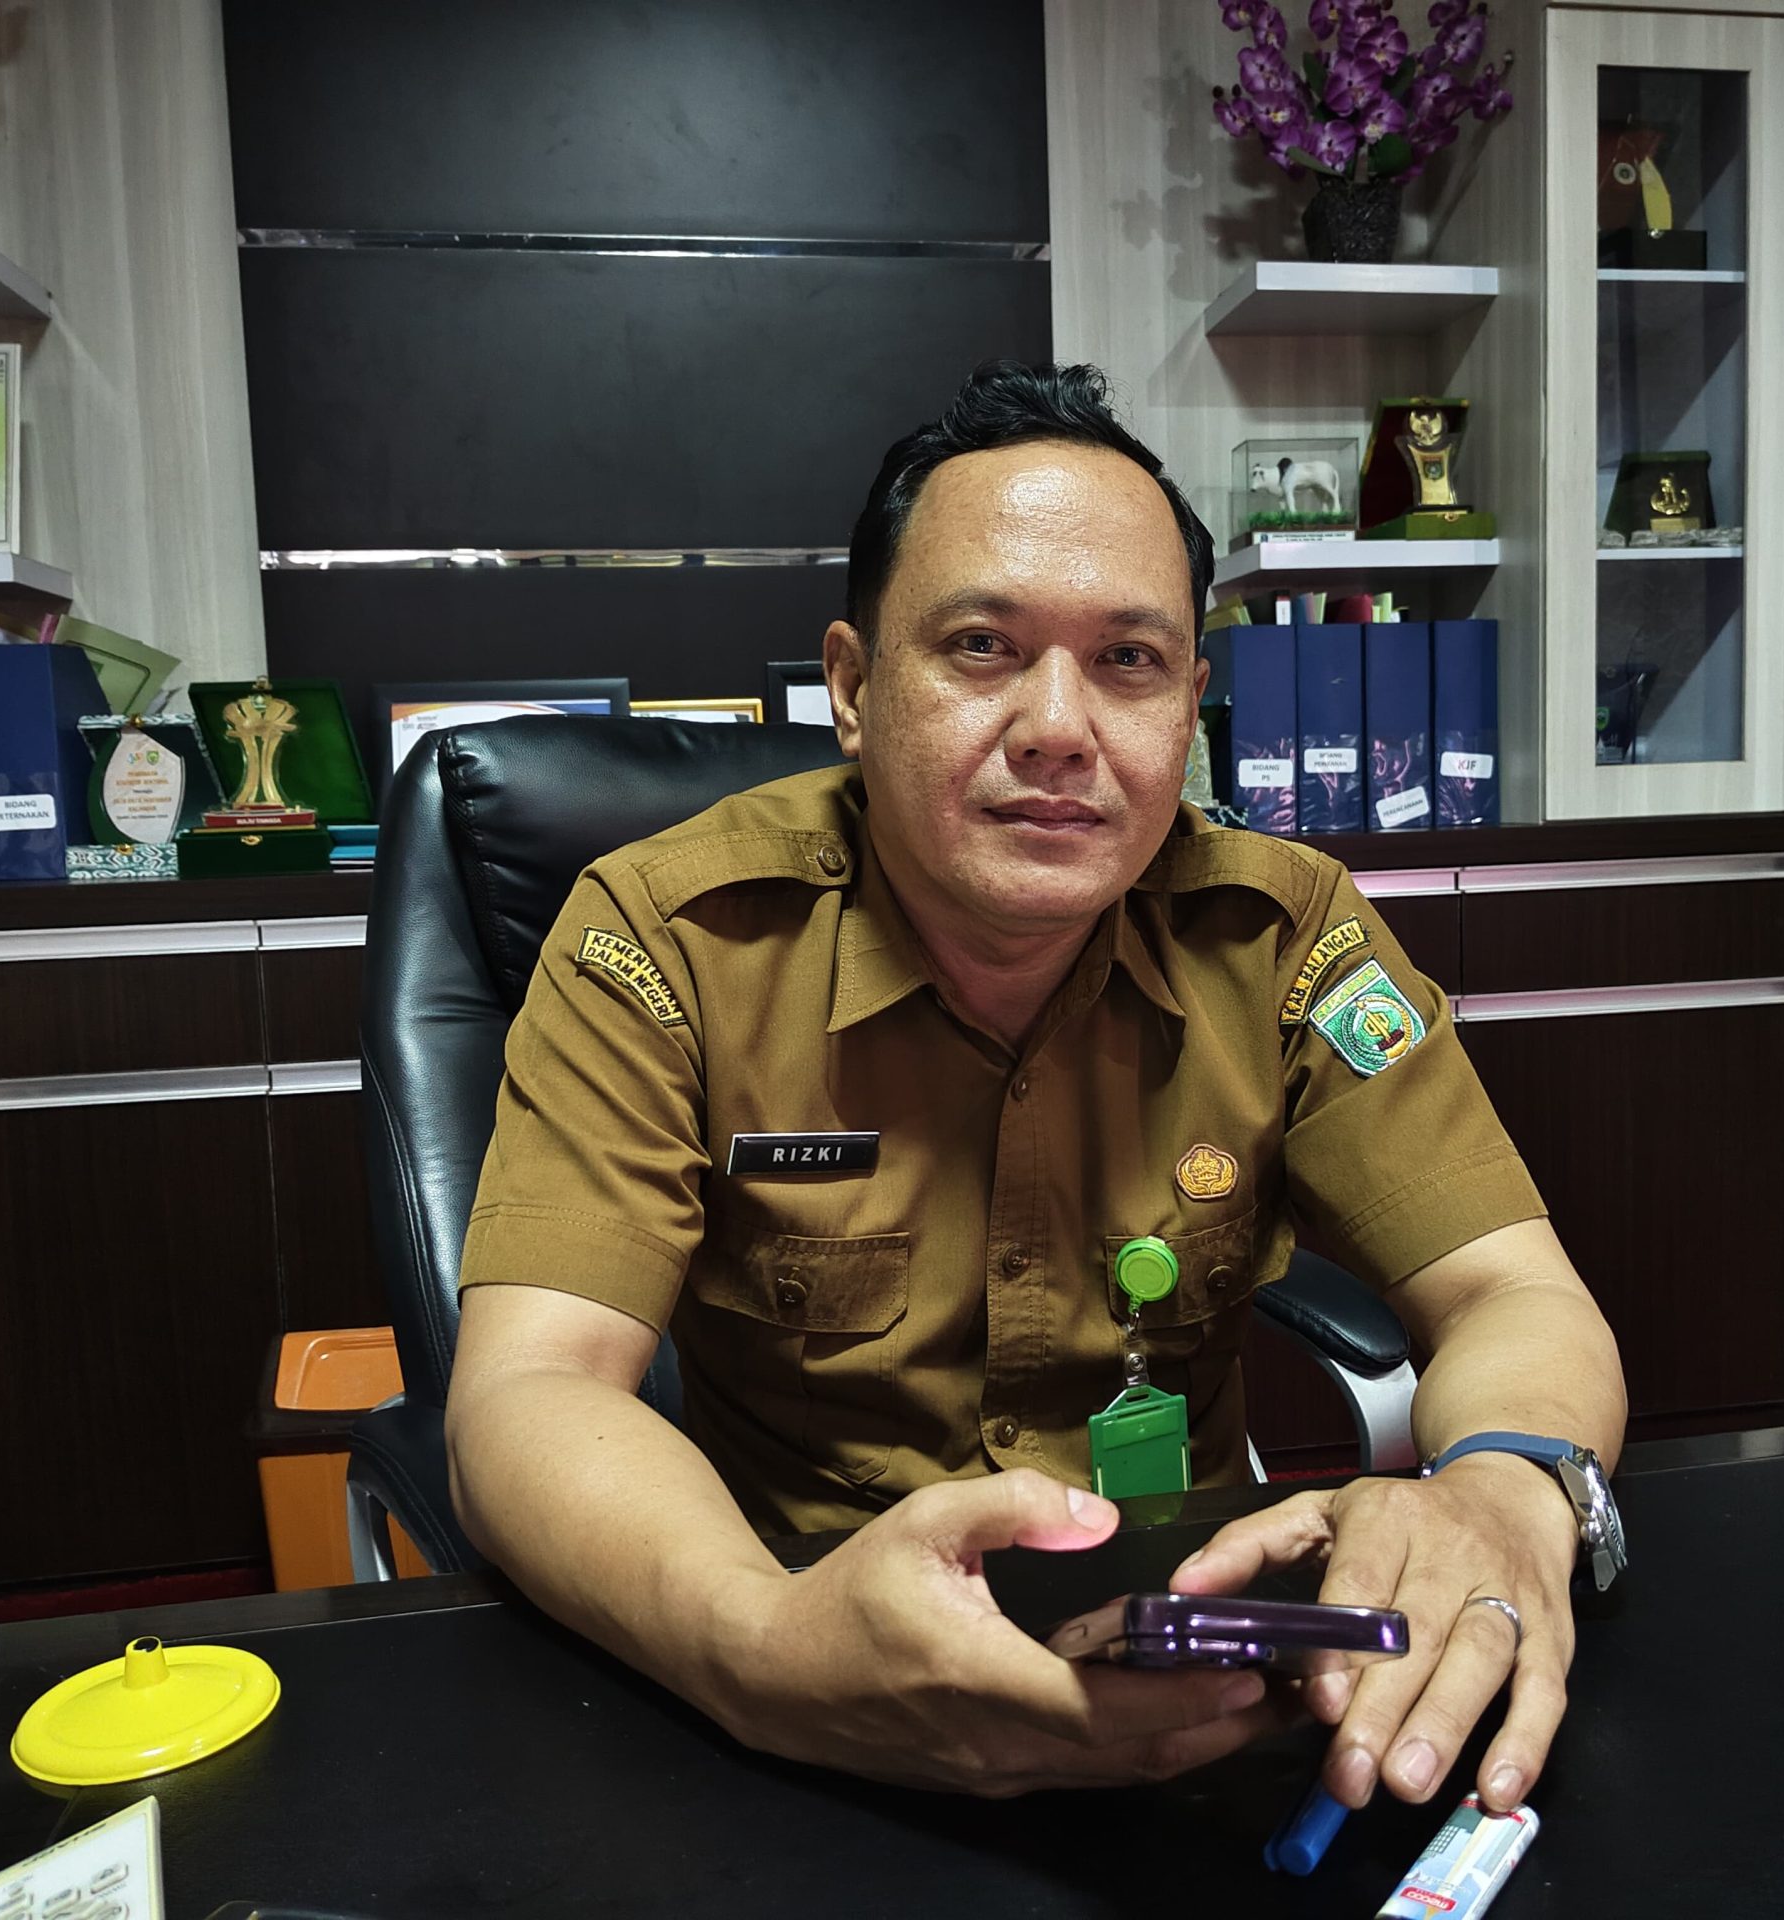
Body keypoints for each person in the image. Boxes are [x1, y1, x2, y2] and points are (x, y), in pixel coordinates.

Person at [446, 362, 1627, 1811]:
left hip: (1184, 1665)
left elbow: (1513, 1290)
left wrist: (1505, 1492)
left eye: (1129, 660)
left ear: (1191, 706)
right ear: (853, 688)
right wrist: (762, 1651)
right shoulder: (666, 941)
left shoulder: (1284, 935)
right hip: (798, 1666)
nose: (1060, 726)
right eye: (982, 647)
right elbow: (531, 1390)